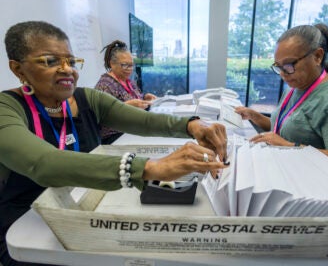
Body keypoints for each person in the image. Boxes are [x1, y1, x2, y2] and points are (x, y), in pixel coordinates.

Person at [0, 21, 228, 266]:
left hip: (82, 212)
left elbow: (145, 121)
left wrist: (191, 126)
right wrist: (148, 168)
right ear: (18, 69)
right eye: (51, 61)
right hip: (27, 231)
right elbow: (43, 164)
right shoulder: (7, 109)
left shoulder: (86, 98)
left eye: (72, 61)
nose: (67, 70)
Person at [235, 23, 328, 177]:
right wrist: (254, 116)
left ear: (317, 56)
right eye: (278, 66)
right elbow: (287, 129)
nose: (283, 73)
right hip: (285, 172)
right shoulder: (294, 88)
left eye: (289, 65)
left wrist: (290, 147)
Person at [95, 40, 157, 144]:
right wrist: (126, 106)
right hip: (115, 137)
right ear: (112, 64)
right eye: (125, 65)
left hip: (133, 130)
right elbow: (102, 115)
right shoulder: (105, 85)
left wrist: (145, 97)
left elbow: (136, 97)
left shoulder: (128, 81)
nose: (129, 69)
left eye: (131, 65)